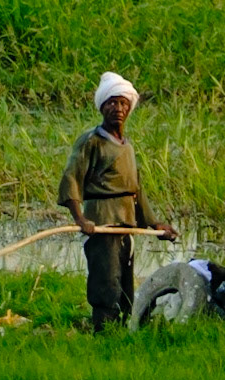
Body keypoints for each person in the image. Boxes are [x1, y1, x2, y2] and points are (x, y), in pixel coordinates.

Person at [58, 71, 178, 332]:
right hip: (102, 225)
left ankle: (122, 333)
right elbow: (71, 180)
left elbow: (136, 191)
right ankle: (104, 334)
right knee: (106, 285)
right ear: (102, 106)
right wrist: (81, 219)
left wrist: (156, 225)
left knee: (125, 287)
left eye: (123, 103)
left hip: (126, 226)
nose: (118, 108)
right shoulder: (91, 142)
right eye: (112, 102)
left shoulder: (127, 146)